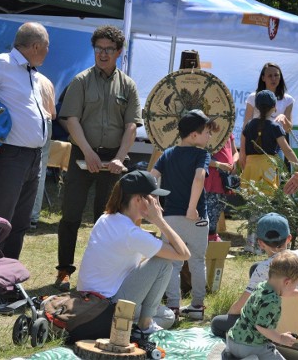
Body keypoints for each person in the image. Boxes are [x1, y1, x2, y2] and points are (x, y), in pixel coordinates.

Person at [54, 24, 142, 291]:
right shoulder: (81, 80)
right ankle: (64, 271)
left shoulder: (128, 85)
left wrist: (120, 158)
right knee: (71, 214)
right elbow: (71, 120)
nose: (102, 54)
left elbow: (131, 126)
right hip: (83, 153)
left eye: (108, 50)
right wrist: (89, 153)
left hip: (115, 159)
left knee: (108, 218)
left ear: (119, 53)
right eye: (98, 49)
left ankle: (103, 272)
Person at [70, 170, 190, 342]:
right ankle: (143, 326)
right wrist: (160, 221)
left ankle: (133, 324)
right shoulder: (131, 233)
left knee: (167, 314)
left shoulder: (105, 219)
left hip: (89, 301)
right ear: (138, 199)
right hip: (108, 306)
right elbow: (184, 254)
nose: (157, 203)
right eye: (153, 198)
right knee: (163, 264)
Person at [0, 22, 50, 259]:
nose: (47, 52)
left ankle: (9, 280)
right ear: (36, 46)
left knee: (20, 223)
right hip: (11, 156)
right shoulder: (2, 64)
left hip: (34, 157)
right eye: (47, 47)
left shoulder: (32, 73)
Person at [150, 109, 216, 320]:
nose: (210, 136)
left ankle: (173, 306)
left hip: (169, 219)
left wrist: (154, 204)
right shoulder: (202, 154)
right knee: (197, 260)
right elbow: (199, 179)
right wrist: (191, 207)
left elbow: (151, 178)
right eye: (207, 131)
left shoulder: (167, 154)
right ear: (194, 135)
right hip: (195, 217)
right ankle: (197, 305)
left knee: (172, 262)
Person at [211, 213, 298, 338]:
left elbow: (239, 306)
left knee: (217, 323)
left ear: (260, 243)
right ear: (289, 238)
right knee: (254, 268)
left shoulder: (264, 268)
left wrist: (229, 316)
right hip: (296, 320)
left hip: (277, 328)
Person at [239, 90, 298, 253]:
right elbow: (287, 150)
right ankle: (260, 246)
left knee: (253, 206)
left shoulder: (249, 125)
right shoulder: (274, 127)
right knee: (265, 207)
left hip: (251, 166)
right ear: (274, 107)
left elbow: (243, 143)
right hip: (267, 167)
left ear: (256, 106)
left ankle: (249, 244)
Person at [222, 249, 298, 360]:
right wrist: (280, 338)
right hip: (249, 346)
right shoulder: (273, 302)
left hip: (233, 340)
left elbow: (284, 291)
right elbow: (261, 327)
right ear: (287, 282)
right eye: (296, 285)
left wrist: (297, 294)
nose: (296, 288)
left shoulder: (263, 286)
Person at [30, 73, 56, 230]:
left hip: (32, 123)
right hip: (47, 122)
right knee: (41, 171)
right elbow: (53, 114)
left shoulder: (21, 78)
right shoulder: (47, 81)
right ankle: (33, 216)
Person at [204, 135, 239, 242]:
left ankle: (212, 238)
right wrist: (219, 165)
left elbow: (235, 152)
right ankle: (210, 239)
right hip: (209, 180)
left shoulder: (227, 131)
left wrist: (234, 163)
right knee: (208, 214)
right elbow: (199, 155)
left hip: (223, 181)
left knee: (218, 209)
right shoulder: (205, 132)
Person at [242, 62, 294, 134]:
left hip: (278, 142)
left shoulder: (288, 99)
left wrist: (284, 118)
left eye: (276, 75)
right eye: (270, 76)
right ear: (263, 78)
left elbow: (288, 130)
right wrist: (243, 145)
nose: (273, 78)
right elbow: (245, 126)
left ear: (280, 77)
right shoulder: (253, 97)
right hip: (257, 140)